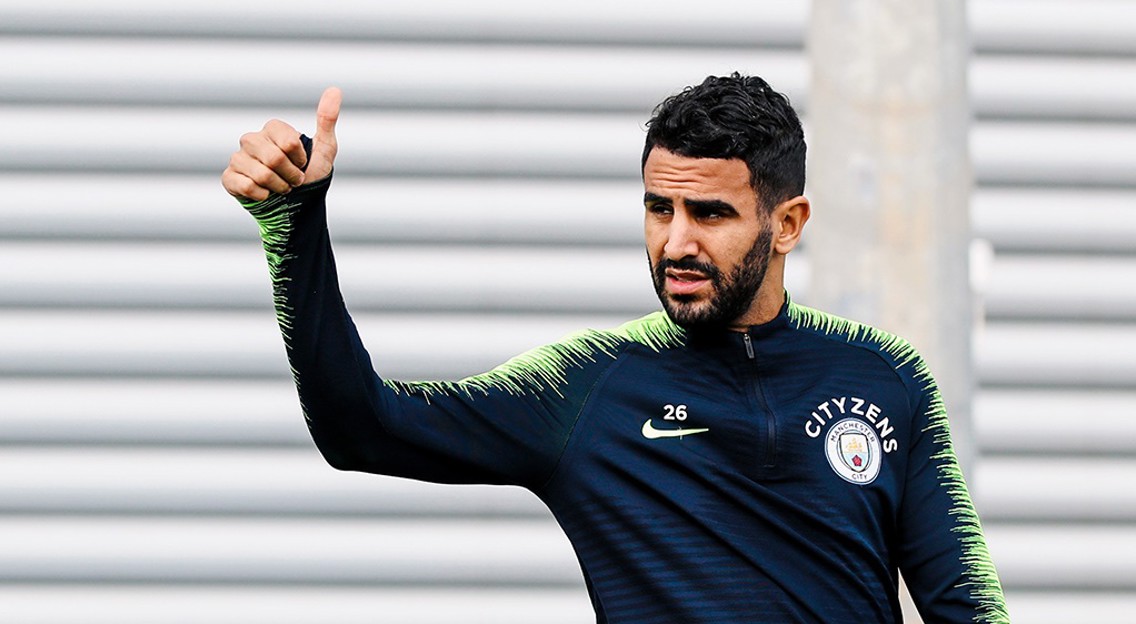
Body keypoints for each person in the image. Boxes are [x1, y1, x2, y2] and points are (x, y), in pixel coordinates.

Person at [222, 74, 1009, 623]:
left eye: (708, 214)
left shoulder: (887, 377)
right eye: (657, 208)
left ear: (788, 224)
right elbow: (359, 425)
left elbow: (966, 607)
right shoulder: (587, 390)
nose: (675, 242)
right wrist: (295, 226)